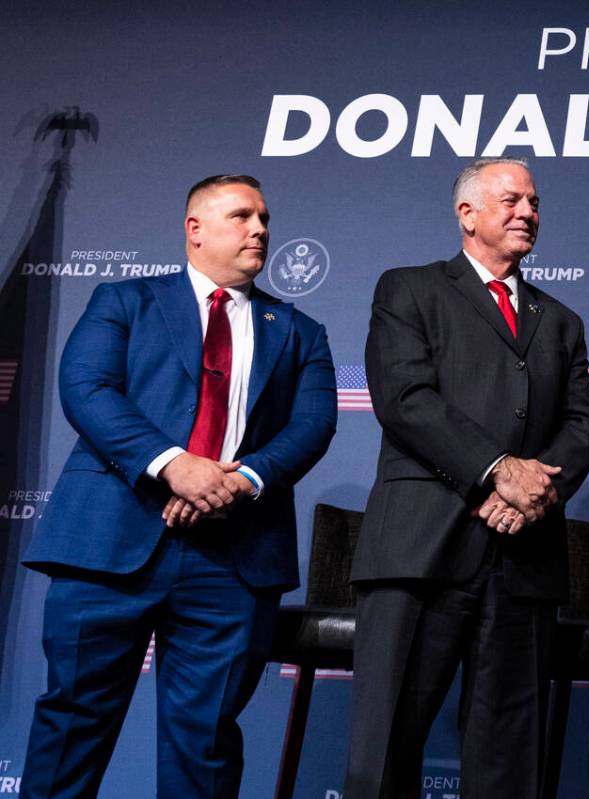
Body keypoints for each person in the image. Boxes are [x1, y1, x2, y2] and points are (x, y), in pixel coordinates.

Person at [20, 174, 338, 797]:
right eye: (242, 216)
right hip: (108, 549)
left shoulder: (300, 329)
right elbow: (87, 389)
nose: (260, 230)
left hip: (233, 561)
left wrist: (242, 479)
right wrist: (173, 464)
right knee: (71, 727)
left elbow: (314, 423)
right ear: (195, 230)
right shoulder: (123, 300)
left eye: (265, 218)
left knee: (207, 741)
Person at [346, 157, 589, 798]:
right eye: (512, 200)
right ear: (467, 213)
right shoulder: (409, 288)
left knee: (511, 758)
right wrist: (495, 473)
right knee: (387, 747)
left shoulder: (561, 320)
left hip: (523, 558)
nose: (528, 213)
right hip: (422, 550)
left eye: (535, 203)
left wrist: (532, 497)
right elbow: (406, 399)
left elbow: (581, 427)